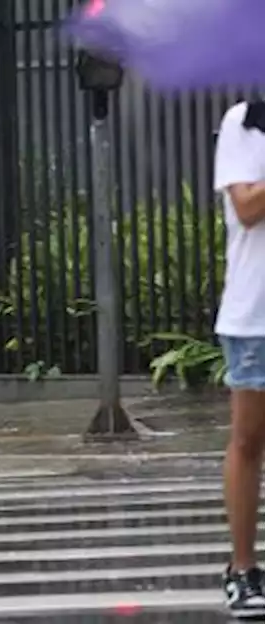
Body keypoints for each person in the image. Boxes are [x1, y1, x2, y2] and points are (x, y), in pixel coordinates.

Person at [213, 99, 266, 619]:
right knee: (249, 441)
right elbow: (248, 209)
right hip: (257, 315)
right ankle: (243, 569)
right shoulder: (245, 123)